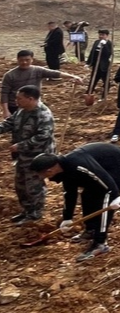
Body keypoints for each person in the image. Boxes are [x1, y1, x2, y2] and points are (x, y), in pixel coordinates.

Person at [31, 142, 120, 261]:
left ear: (50, 170)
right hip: (99, 166)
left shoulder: (78, 165)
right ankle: (91, 230)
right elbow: (70, 193)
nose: (44, 178)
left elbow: (103, 177)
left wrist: (115, 195)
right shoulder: (64, 168)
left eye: (43, 175)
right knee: (88, 195)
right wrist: (67, 218)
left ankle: (100, 243)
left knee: (106, 199)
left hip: (115, 163)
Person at [0, 85, 55, 224]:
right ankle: (26, 210)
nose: (16, 101)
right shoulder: (22, 110)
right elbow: (10, 123)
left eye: (19, 98)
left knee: (34, 186)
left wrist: (20, 146)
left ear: (30, 99)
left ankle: (35, 213)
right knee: (21, 184)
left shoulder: (44, 114)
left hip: (37, 156)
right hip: (22, 156)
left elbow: (43, 136)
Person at [2, 50, 81, 118]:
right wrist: (6, 111)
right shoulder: (10, 75)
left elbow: (55, 73)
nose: (24, 62)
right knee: (18, 129)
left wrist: (72, 76)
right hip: (16, 106)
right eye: (21, 60)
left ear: (32, 59)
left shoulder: (38, 70)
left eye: (27, 60)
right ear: (17, 60)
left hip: (34, 105)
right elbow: (4, 93)